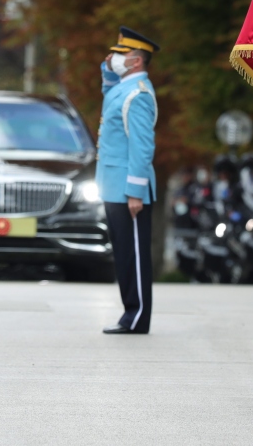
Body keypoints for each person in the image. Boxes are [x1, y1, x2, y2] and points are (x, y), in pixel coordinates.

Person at [97, 26, 159, 335]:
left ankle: (136, 317)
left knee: (133, 255)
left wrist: (135, 192)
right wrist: (108, 69)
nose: (113, 58)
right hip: (113, 184)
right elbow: (108, 91)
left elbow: (142, 146)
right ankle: (129, 315)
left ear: (135, 61)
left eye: (120, 55)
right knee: (123, 254)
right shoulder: (124, 87)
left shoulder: (138, 95)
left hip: (127, 189)